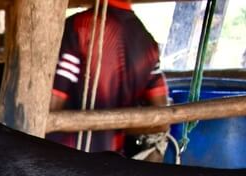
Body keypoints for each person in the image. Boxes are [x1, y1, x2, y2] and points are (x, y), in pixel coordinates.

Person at [47, 0, 169, 155]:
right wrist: (114, 126)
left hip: (63, 159)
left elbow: (51, 105)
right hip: (111, 161)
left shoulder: (79, 26)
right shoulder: (148, 44)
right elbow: (162, 121)